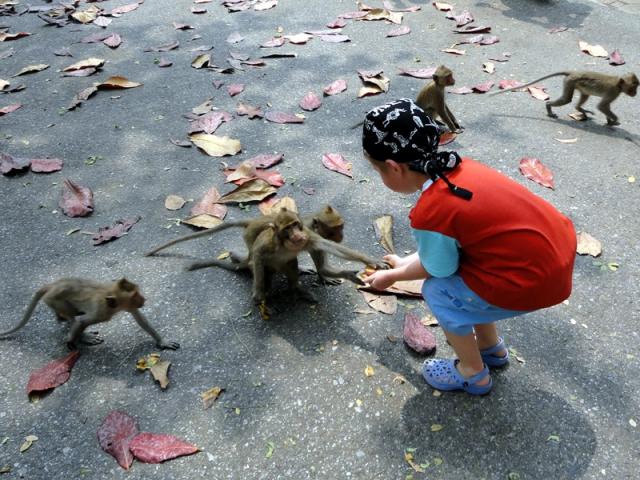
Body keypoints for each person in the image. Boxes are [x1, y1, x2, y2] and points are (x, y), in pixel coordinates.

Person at [361, 98, 576, 395]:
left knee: (439, 290)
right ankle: (492, 350)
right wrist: (405, 261)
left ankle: (473, 373)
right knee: (467, 278)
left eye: (379, 172)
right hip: (553, 258)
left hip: (533, 281)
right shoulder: (461, 170)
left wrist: (394, 276)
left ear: (393, 167)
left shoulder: (432, 210)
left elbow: (438, 267)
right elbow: (451, 248)